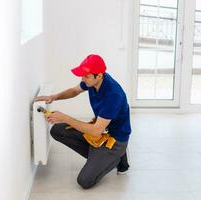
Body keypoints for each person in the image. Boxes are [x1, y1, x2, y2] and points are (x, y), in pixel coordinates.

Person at [35, 54, 131, 189]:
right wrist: (54, 96)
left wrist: (64, 117)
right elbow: (74, 91)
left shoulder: (113, 94)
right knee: (57, 130)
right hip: (102, 131)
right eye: (82, 75)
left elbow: (97, 130)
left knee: (85, 181)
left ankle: (117, 157)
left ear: (99, 76)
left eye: (86, 76)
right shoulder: (93, 82)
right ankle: (99, 157)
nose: (82, 79)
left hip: (115, 140)